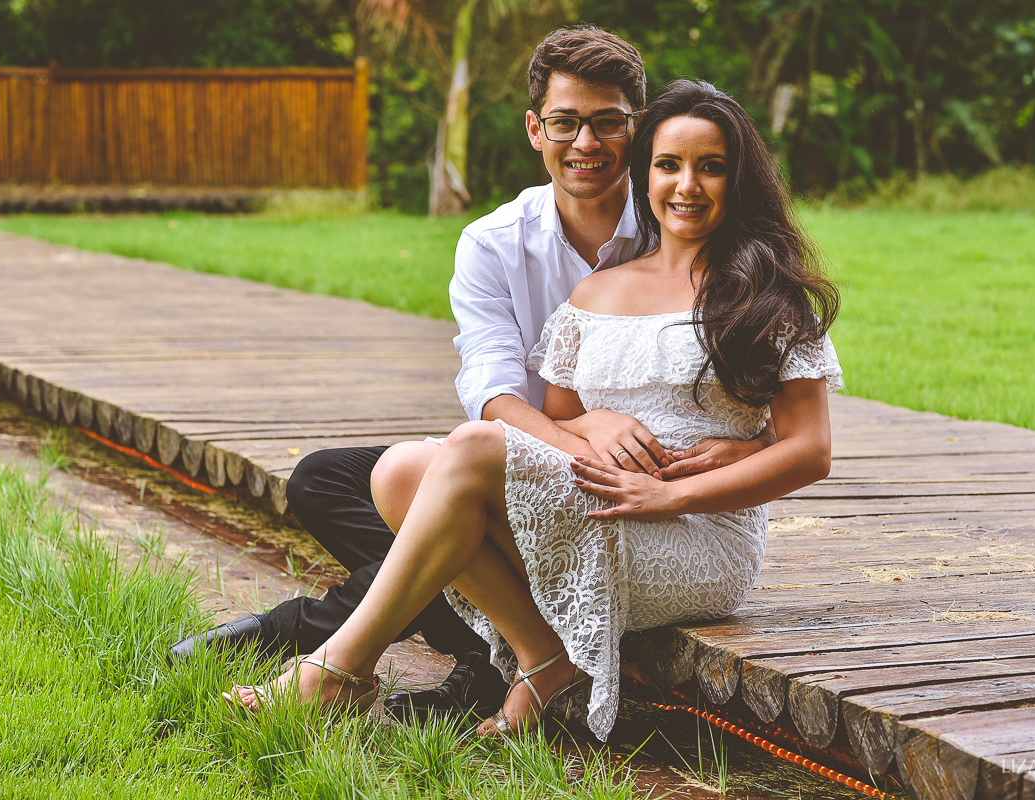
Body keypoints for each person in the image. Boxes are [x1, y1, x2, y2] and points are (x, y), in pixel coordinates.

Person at [173, 27, 770, 722]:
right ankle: (525, 650)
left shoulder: (681, 218)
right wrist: (585, 433)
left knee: (445, 489)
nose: (585, 143)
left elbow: (773, 411)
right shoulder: (494, 242)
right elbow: (494, 396)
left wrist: (745, 449)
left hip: (645, 488)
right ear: (533, 129)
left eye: (607, 123)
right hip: (542, 454)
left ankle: (329, 644)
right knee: (337, 479)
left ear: (635, 129)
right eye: (564, 123)